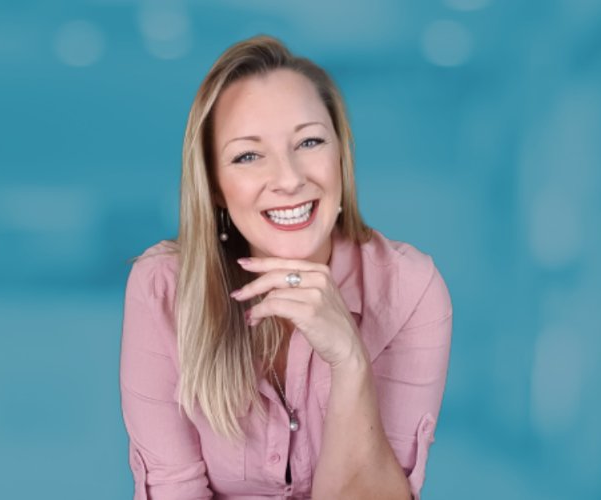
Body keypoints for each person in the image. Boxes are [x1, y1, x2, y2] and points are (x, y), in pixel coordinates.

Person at [120, 35, 453, 499]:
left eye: (309, 141)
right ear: (214, 186)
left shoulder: (409, 289)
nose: (290, 179)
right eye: (248, 155)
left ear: (341, 157)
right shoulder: (163, 288)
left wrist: (349, 362)